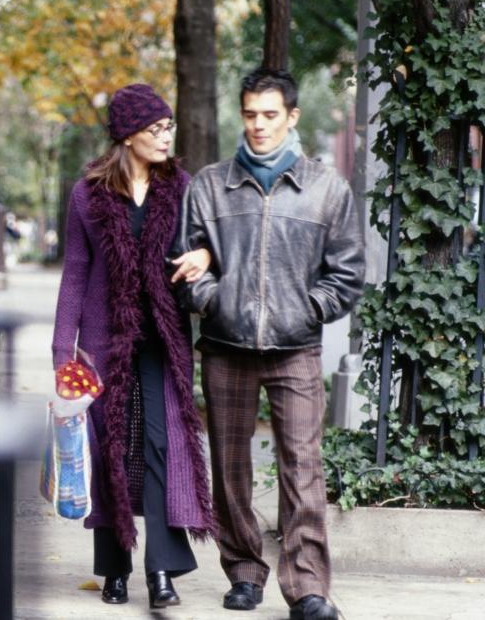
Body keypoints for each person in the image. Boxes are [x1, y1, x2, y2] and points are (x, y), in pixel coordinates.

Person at [178, 68, 365, 620]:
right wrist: (215, 299)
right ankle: (242, 571)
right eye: (250, 115)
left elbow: (347, 272)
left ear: (292, 117)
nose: (258, 126)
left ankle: (307, 588)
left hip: (297, 349)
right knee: (230, 465)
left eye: (270, 115)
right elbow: (186, 264)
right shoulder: (210, 186)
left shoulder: (327, 189)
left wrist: (307, 310)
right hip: (225, 344)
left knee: (303, 467)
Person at [52, 83, 216, 610]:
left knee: (160, 445)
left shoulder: (182, 187)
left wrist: (206, 257)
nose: (167, 136)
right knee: (111, 450)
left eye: (168, 127)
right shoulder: (88, 195)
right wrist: (63, 352)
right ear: (128, 136)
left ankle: (162, 572)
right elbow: (76, 273)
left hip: (163, 340)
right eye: (156, 129)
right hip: (105, 342)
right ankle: (114, 570)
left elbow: (207, 245)